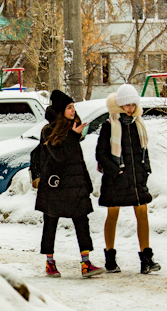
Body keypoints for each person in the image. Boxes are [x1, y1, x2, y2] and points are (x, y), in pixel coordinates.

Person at [35, 90, 104, 279]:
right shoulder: (48, 131)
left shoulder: (73, 127)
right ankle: (50, 263)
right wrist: (73, 136)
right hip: (55, 185)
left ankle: (86, 263)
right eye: (69, 107)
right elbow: (59, 157)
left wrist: (86, 183)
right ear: (60, 111)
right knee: (50, 223)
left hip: (75, 184)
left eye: (73, 106)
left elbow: (77, 159)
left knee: (82, 222)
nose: (73, 110)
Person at [95, 84, 160, 274]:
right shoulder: (109, 125)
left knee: (142, 213)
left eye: (133, 105)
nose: (130, 109)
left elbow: (143, 151)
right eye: (126, 105)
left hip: (136, 179)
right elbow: (101, 154)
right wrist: (116, 171)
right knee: (112, 216)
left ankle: (146, 259)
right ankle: (110, 258)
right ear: (120, 105)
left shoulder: (138, 124)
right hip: (116, 179)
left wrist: (145, 171)